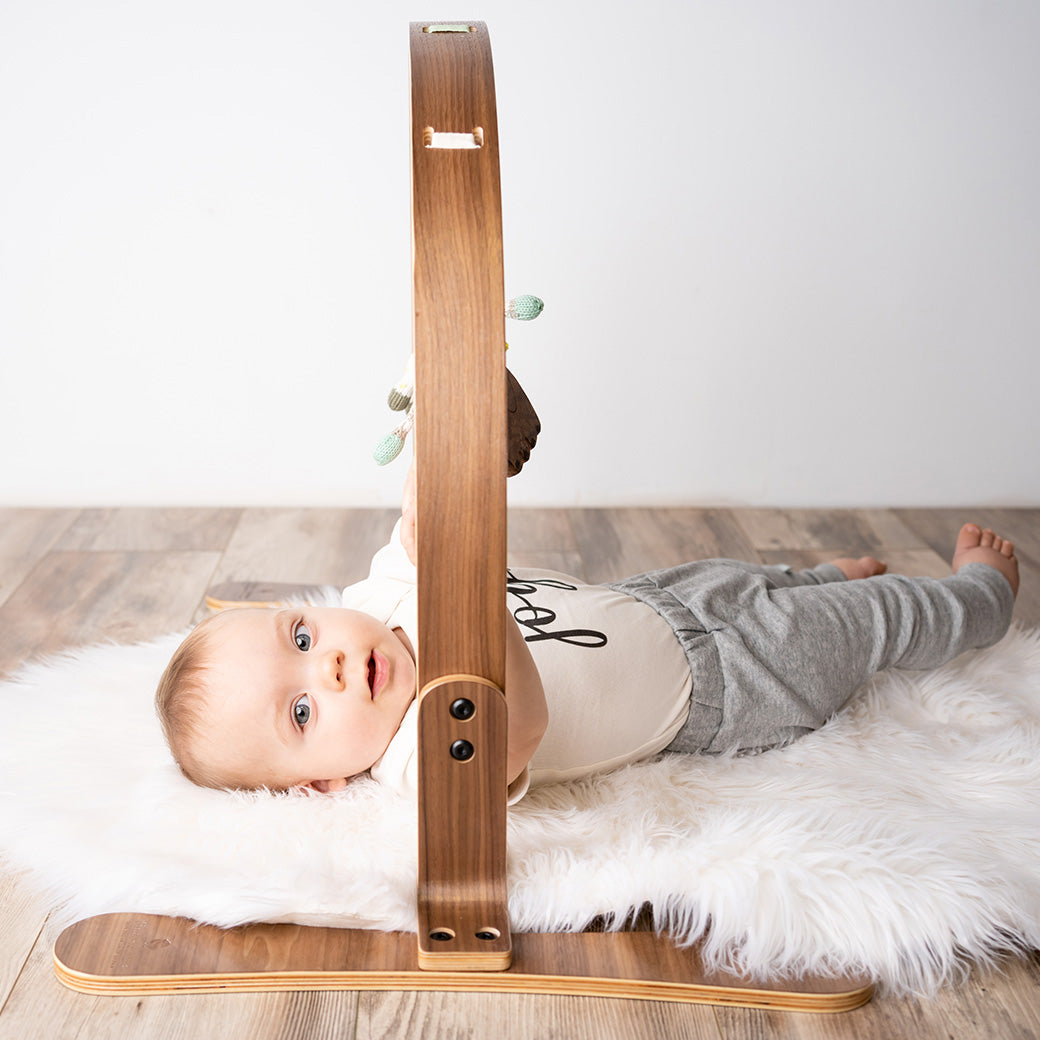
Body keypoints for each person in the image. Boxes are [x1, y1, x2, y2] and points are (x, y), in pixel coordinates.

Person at [155, 472, 1018, 803]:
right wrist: (469, 588)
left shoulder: (378, 597)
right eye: (302, 711)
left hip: (654, 600)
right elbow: (519, 725)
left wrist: (440, 433)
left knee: (758, 577)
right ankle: (980, 598)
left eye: (302, 637)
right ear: (322, 783)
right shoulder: (422, 755)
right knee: (870, 625)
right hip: (733, 683)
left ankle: (818, 577)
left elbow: (424, 511)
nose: (334, 666)